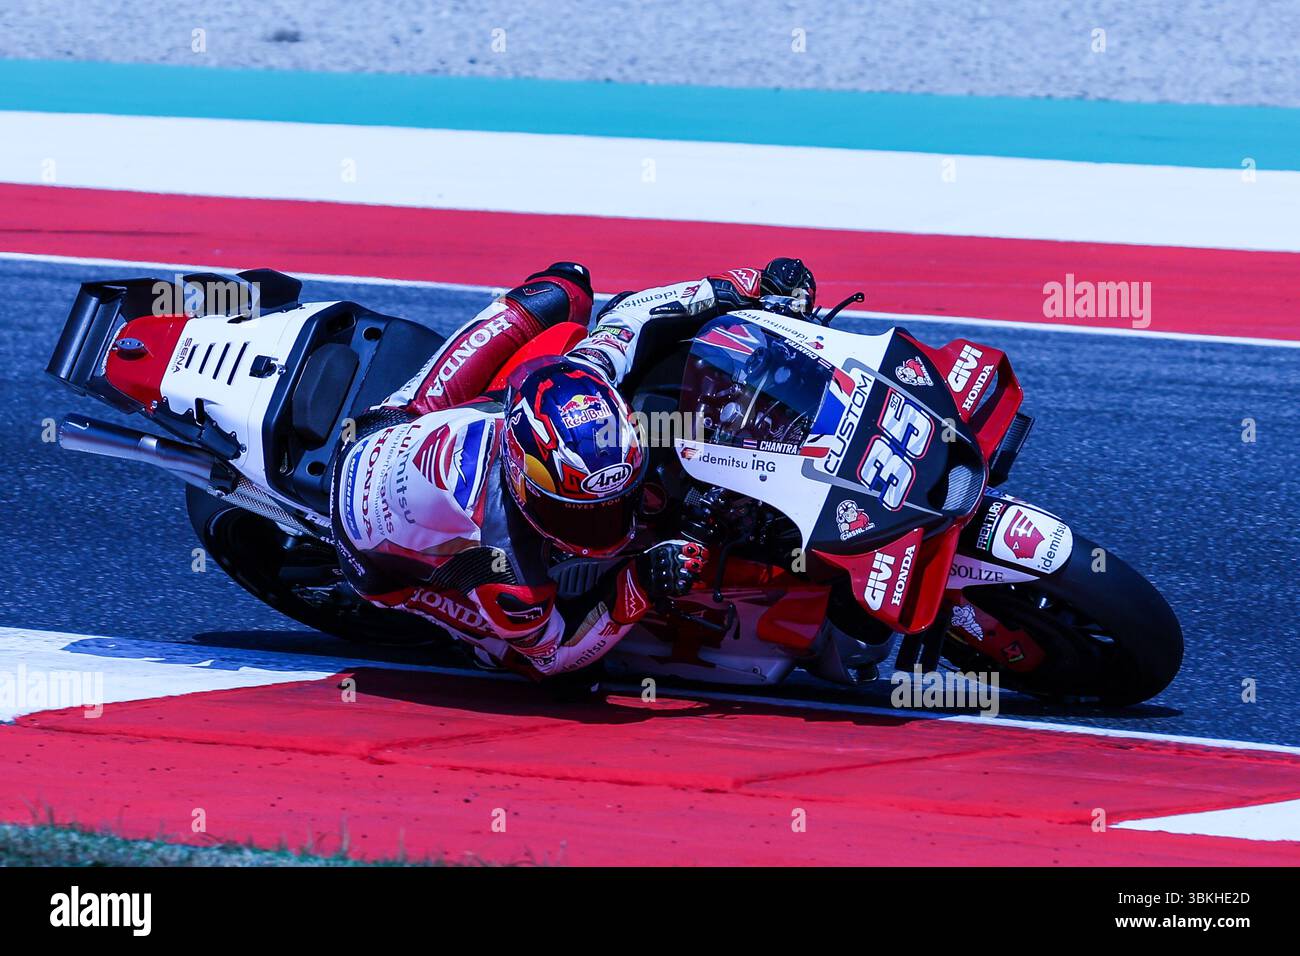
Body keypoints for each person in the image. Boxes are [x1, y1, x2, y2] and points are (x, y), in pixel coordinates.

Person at [330, 258, 815, 678]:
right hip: (370, 549)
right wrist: (640, 582)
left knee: (565, 286)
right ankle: (480, 649)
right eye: (583, 513)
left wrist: (749, 286)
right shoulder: (505, 561)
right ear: (525, 487)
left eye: (613, 503)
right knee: (545, 668)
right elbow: (555, 655)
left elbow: (632, 313)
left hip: (413, 419)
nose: (610, 522)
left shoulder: (586, 378)